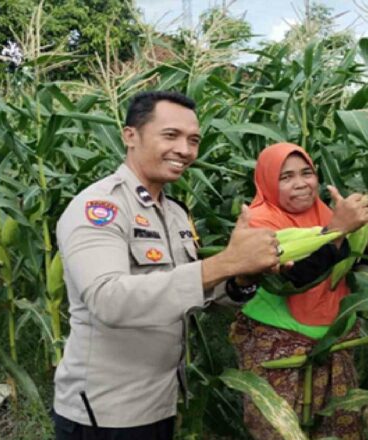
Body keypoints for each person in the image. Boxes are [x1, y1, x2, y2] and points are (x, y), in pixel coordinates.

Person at [53, 91, 281, 440]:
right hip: (106, 410)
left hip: (161, 400)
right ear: (130, 136)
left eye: (193, 140)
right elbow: (108, 300)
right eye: (170, 136)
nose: (186, 150)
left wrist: (243, 275)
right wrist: (224, 262)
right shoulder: (100, 208)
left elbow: (195, 293)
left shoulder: (175, 214)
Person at [230, 143, 368, 440]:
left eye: (307, 173)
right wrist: (337, 230)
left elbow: (355, 268)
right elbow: (291, 280)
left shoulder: (327, 212)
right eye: (286, 177)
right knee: (280, 431)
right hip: (276, 343)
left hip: (333, 340)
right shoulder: (258, 222)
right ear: (266, 181)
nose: (301, 183)